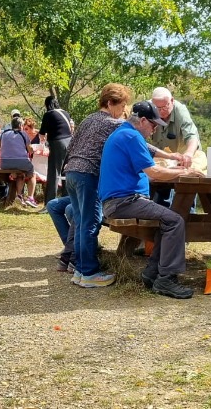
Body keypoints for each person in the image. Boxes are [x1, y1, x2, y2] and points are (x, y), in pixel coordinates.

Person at [99, 101, 203, 298]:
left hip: (120, 200)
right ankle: (167, 279)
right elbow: (154, 173)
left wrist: (176, 160)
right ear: (143, 120)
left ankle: (152, 273)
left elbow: (150, 150)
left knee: (167, 221)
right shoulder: (131, 136)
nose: (155, 129)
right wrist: (186, 171)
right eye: (153, 125)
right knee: (174, 221)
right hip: (124, 201)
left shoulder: (125, 132)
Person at [65, 83, 131, 288]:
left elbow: (71, 145)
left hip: (72, 172)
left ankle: (79, 269)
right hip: (88, 174)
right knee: (90, 223)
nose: (122, 111)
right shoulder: (113, 123)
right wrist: (170, 155)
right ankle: (90, 273)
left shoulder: (88, 119)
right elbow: (138, 142)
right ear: (111, 103)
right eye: (121, 106)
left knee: (80, 222)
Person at [147, 87, 200, 207]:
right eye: (157, 108)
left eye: (165, 106)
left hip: (184, 157)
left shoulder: (180, 110)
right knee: (158, 189)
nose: (161, 111)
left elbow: (192, 136)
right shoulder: (146, 109)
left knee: (187, 189)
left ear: (172, 100)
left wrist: (189, 154)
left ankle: (187, 218)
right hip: (160, 158)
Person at [39, 95, 75, 202]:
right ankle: (67, 200)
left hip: (57, 142)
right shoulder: (65, 113)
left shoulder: (49, 114)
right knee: (66, 171)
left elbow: (41, 133)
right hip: (69, 142)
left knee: (54, 172)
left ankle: (50, 202)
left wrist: (44, 142)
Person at [0, 117, 39, 208]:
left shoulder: (4, 133)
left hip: (4, 163)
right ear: (20, 125)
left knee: (20, 174)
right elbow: (30, 150)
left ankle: (19, 195)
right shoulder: (23, 134)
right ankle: (30, 197)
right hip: (21, 161)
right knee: (32, 173)